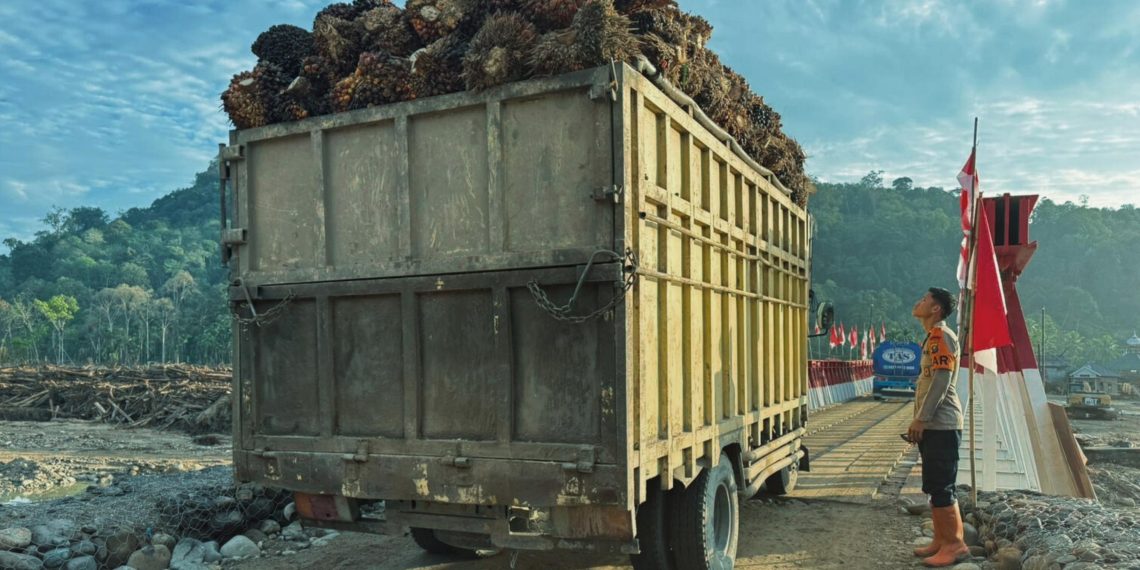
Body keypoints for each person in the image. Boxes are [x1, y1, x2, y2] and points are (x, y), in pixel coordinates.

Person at [908, 287, 969, 567]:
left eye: (924, 299)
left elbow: (942, 380)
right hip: (935, 424)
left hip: (941, 424)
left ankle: (955, 545)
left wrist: (922, 417)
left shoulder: (941, 336)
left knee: (943, 485)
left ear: (936, 309)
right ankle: (941, 541)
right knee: (934, 484)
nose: (918, 302)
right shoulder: (932, 336)